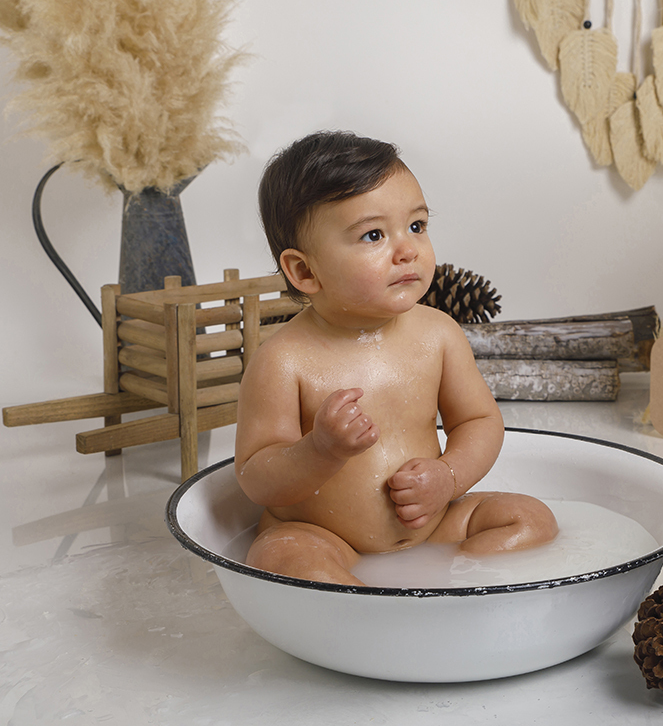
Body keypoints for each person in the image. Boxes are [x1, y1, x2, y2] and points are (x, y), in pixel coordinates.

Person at [234, 131, 558, 585]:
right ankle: (364, 608)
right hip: (324, 535)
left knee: (531, 520)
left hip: (435, 526)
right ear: (305, 271)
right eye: (373, 235)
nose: (408, 251)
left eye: (417, 226)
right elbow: (255, 478)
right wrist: (319, 450)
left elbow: (479, 422)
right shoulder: (284, 362)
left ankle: (457, 585)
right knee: (285, 557)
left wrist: (447, 477)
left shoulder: (438, 335)